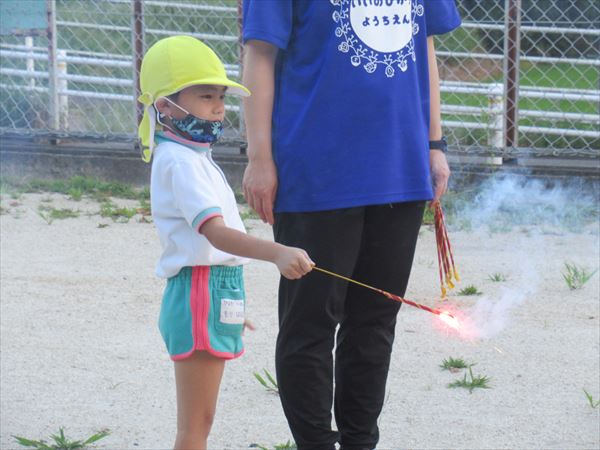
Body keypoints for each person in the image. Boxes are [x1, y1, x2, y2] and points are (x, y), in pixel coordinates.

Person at [242, 1, 461, 449]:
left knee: (375, 321)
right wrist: (259, 157)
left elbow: (425, 44)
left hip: (398, 166)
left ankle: (360, 442)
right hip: (318, 169)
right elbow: (260, 53)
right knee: (311, 323)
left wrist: (434, 144)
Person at [137, 35, 314, 450]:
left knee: (201, 421)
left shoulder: (194, 157)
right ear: (165, 106)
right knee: (195, 427)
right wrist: (277, 252)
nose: (218, 107)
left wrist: (228, 305)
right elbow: (214, 234)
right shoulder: (181, 162)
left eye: (220, 96)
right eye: (205, 96)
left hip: (211, 291)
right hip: (200, 290)